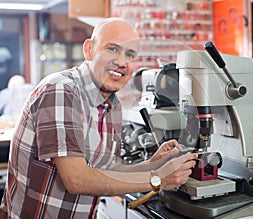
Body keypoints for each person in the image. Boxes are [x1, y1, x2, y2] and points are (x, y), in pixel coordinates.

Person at [0, 18, 197, 218]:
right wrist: (158, 180)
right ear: (89, 49)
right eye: (112, 49)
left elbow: (107, 168)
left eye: (130, 54)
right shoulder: (61, 90)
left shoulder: (112, 105)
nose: (121, 62)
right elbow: (76, 179)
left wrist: (153, 164)